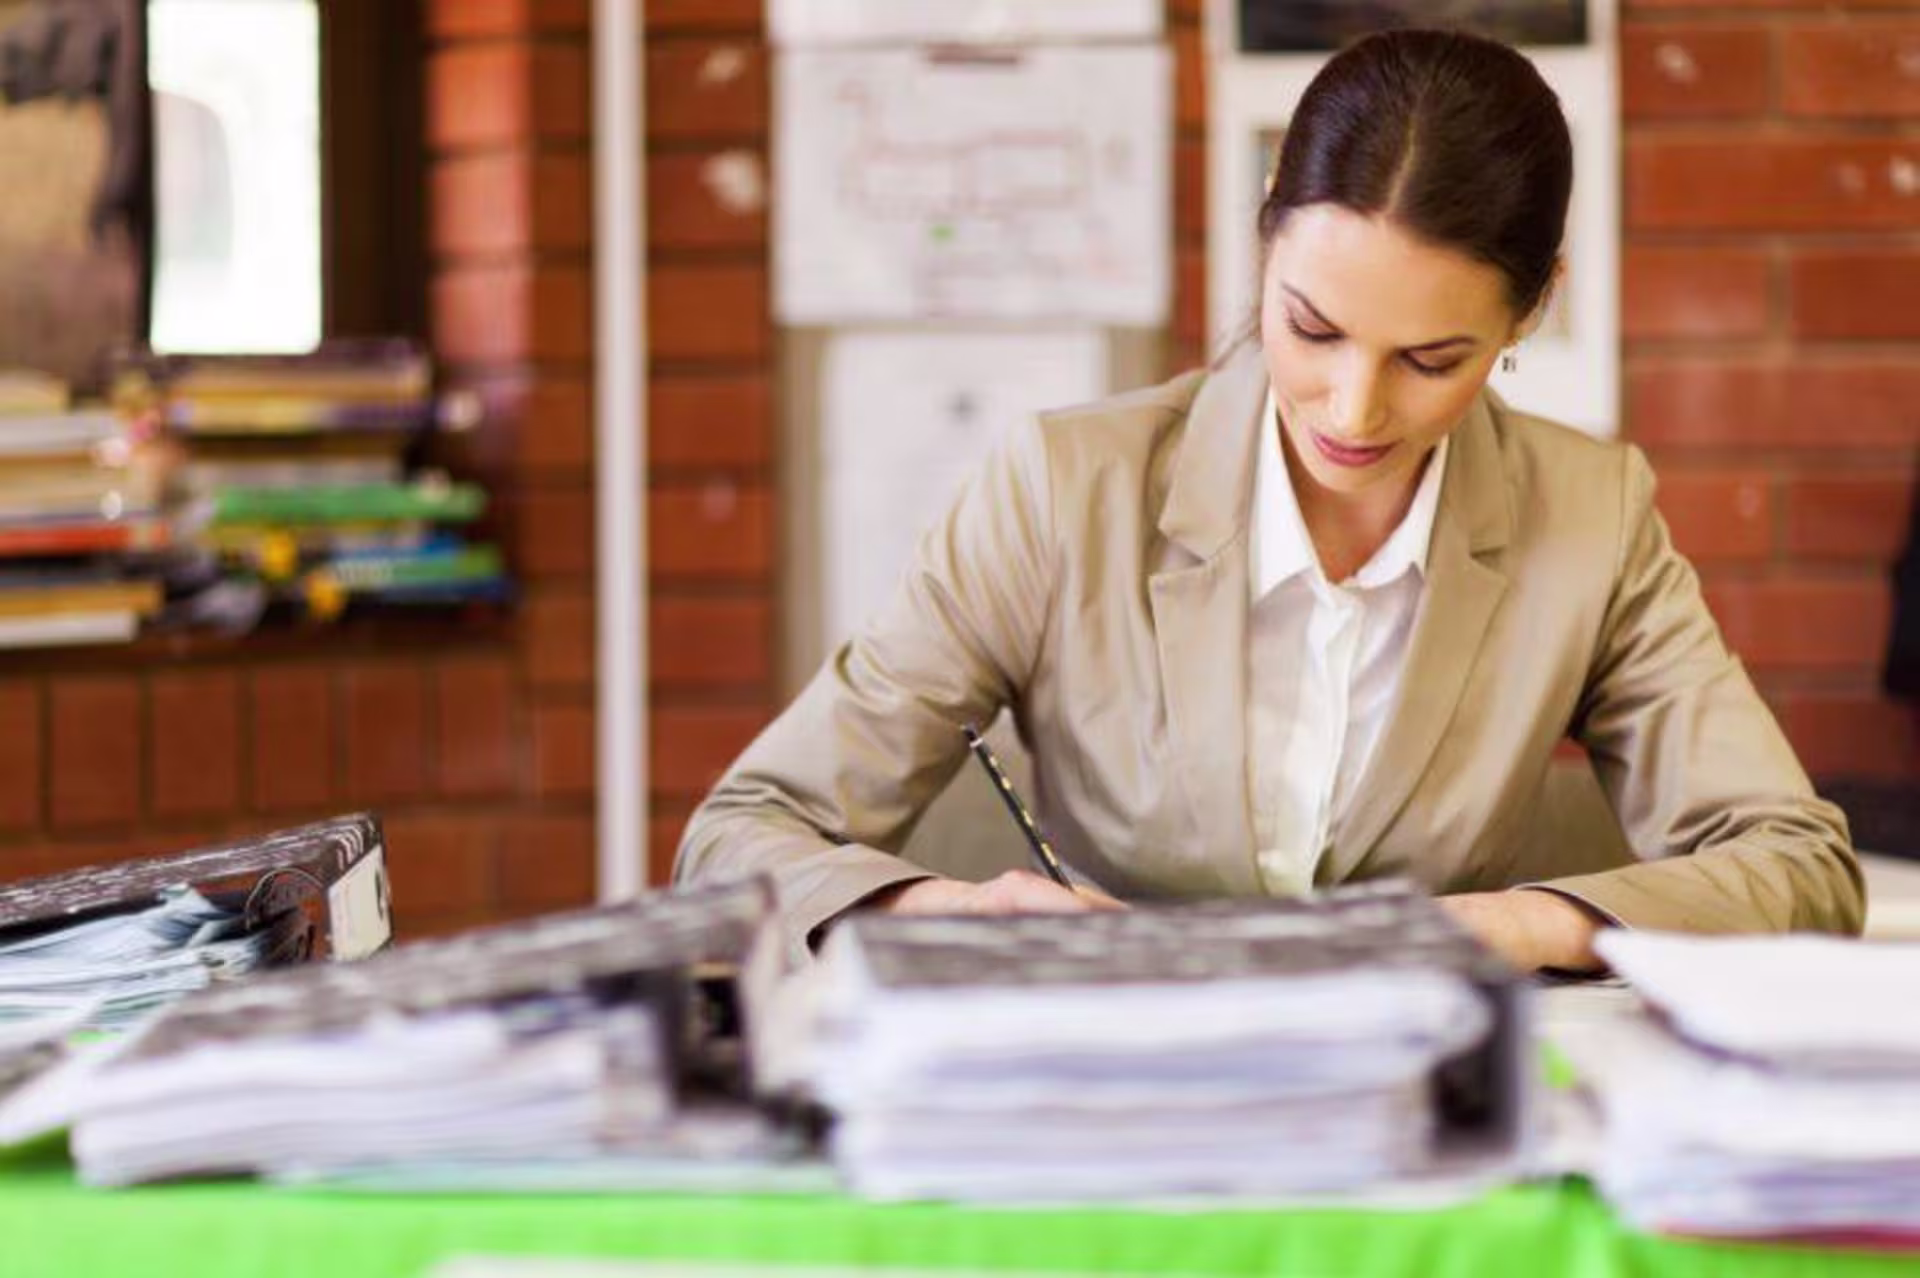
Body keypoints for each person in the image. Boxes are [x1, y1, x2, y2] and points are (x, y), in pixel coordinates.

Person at [676, 28, 1863, 969]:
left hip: (1424, 1114)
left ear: (1533, 309)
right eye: (1312, 328)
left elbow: (1799, 867)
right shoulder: (1063, 491)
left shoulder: (1591, 518)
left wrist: (1506, 926)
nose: (1354, 410)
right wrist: (949, 913)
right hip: (1102, 1101)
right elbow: (736, 845)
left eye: (1431, 360)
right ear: (1263, 233)